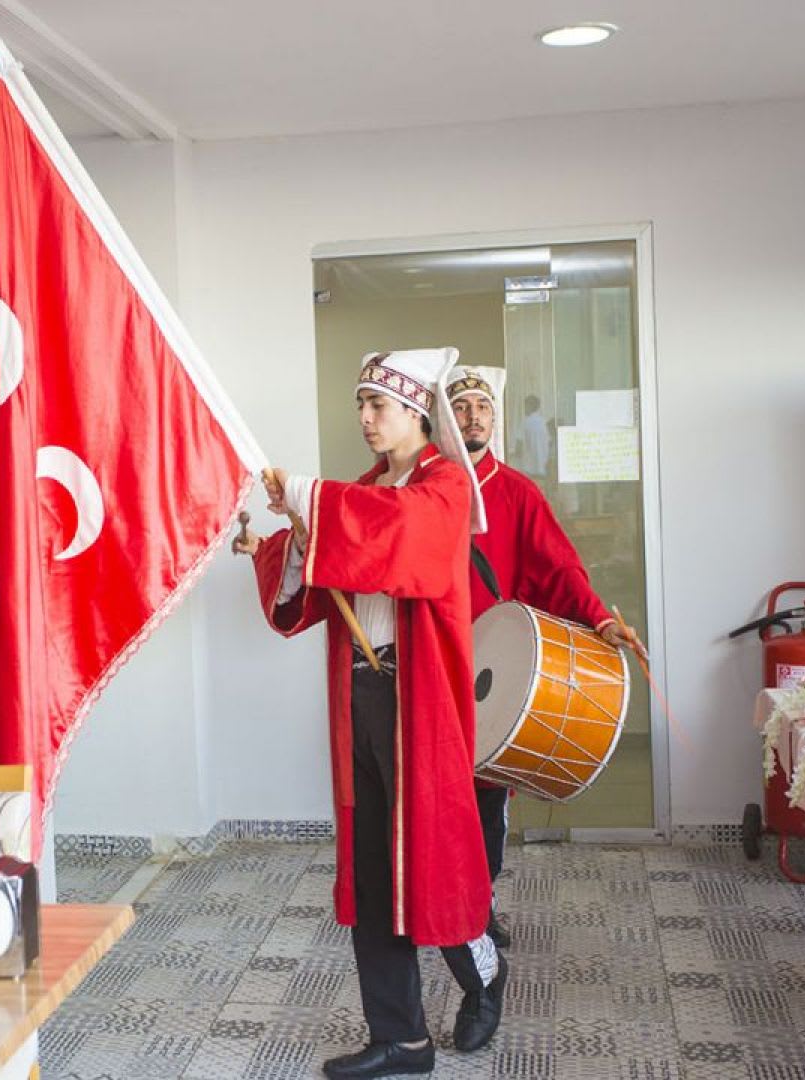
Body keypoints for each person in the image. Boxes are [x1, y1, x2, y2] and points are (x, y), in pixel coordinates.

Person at [234, 349, 505, 1079]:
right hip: (362, 690)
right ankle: (401, 1038)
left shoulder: (445, 486)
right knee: (374, 869)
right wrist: (296, 538)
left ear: (415, 410)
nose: (364, 417)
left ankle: (483, 973)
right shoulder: (361, 492)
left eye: (377, 405)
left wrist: (310, 498)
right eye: (360, 404)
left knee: (434, 858)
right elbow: (327, 576)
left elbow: (400, 537)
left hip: (422, 701)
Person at [446, 368, 643, 952]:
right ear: (443, 419)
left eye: (483, 407)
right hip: (429, 663)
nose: (474, 417)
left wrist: (599, 618)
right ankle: (436, 905)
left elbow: (559, 569)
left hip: (493, 670)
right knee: (433, 795)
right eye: (462, 408)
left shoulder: (517, 492)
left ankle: (479, 907)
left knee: (487, 796)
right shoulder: (422, 491)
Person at [514, 393, 550, 479]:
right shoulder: (544, 422)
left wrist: (516, 457)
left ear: (529, 406)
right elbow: (549, 442)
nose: (524, 409)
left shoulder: (525, 422)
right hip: (543, 465)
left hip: (529, 467)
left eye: (525, 406)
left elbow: (519, 444)